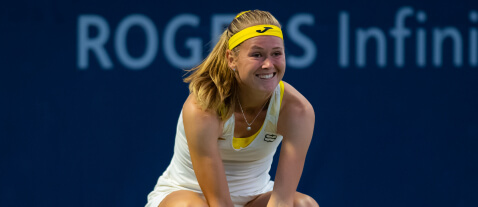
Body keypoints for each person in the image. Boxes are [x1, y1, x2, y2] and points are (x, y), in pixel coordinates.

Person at [146, 10, 319, 207]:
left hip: (255, 198)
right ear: (231, 59)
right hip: (193, 196)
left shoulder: (297, 110)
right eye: (257, 54)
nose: (269, 64)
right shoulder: (203, 108)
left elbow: (281, 201)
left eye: (277, 54)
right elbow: (219, 203)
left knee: (304, 205)